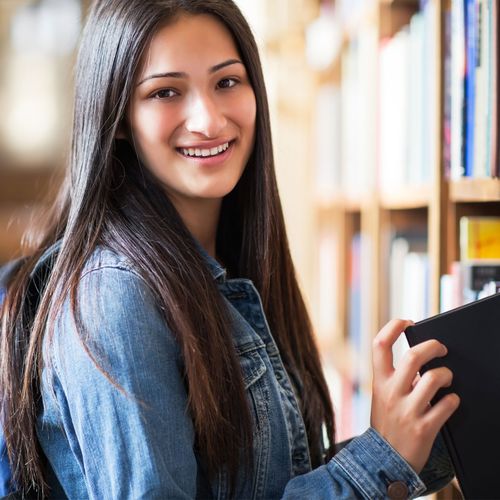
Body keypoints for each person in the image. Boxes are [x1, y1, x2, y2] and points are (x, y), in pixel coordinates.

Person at [0, 0, 460, 498]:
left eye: (226, 82)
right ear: (118, 118)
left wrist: (421, 435)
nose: (209, 119)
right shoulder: (114, 295)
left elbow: (264, 484)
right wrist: (379, 459)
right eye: (166, 91)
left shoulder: (224, 263)